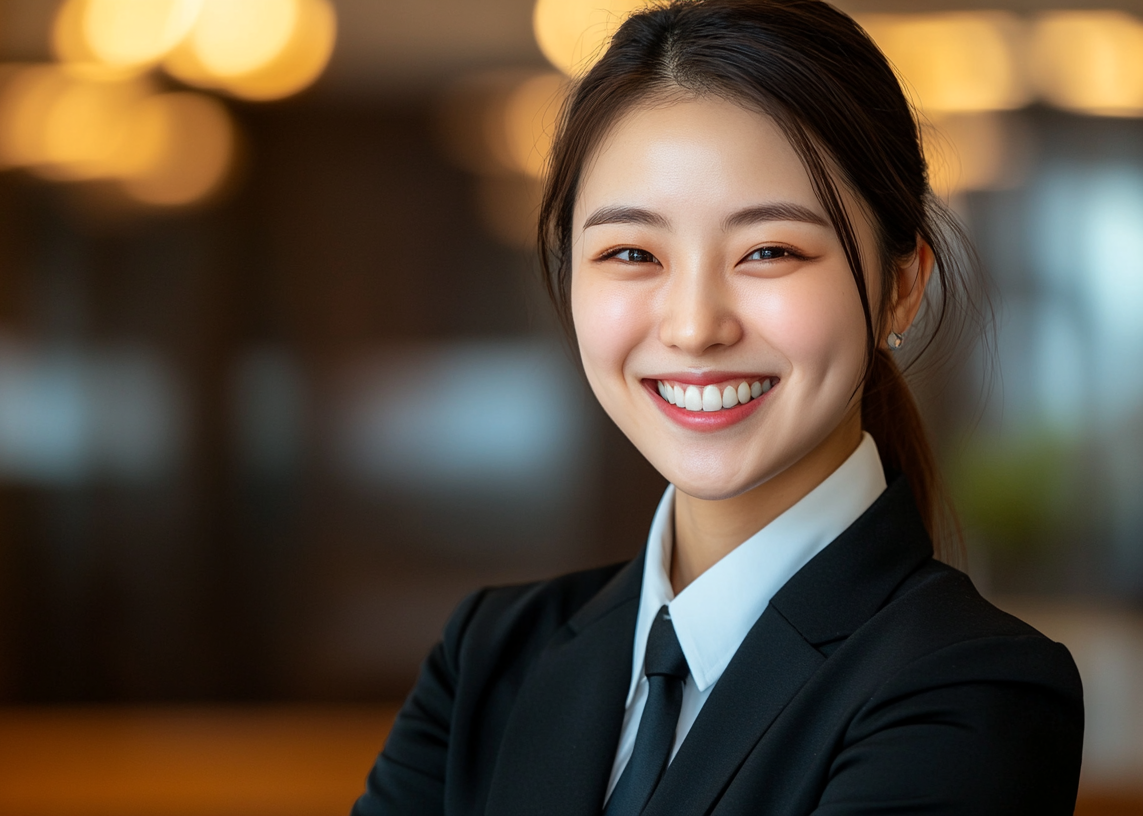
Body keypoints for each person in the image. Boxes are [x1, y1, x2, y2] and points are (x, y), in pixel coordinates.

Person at [350, 1, 1085, 814]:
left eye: (769, 251)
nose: (695, 326)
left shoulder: (972, 686)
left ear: (901, 286)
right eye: (632, 253)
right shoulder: (487, 660)